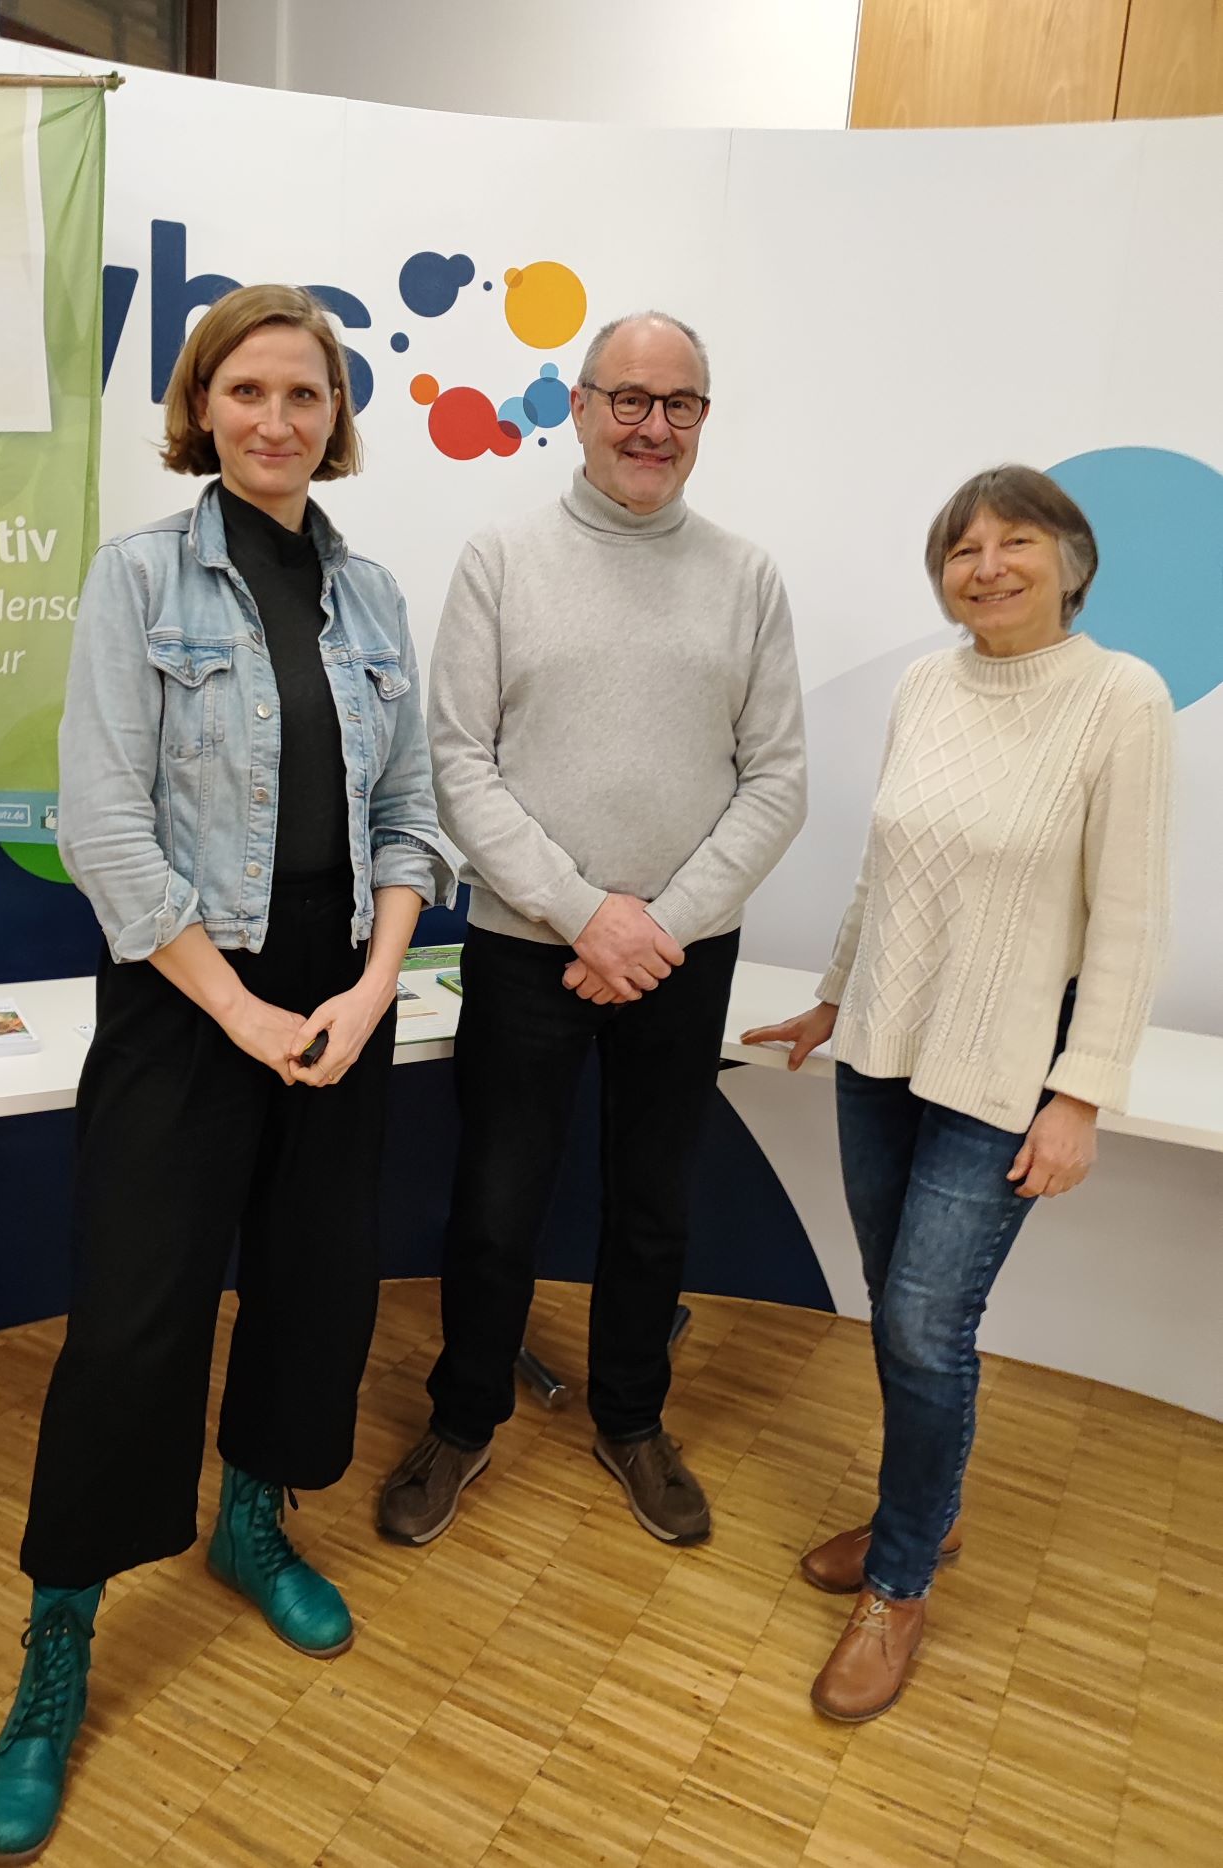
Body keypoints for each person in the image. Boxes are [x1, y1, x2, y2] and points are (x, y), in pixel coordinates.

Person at [0, 284, 451, 1862]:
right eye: (245, 390)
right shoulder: (138, 579)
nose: (275, 420)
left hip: (342, 992)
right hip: (188, 995)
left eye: (303, 394)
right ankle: (59, 1643)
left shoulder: (375, 594)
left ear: (335, 415)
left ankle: (253, 1522)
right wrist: (240, 1011)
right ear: (200, 407)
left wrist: (375, 982)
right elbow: (102, 829)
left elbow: (413, 818)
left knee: (319, 1284)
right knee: (136, 1319)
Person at [742, 465, 1173, 1723]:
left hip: (1003, 1070)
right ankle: (925, 1510)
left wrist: (1081, 1093)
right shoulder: (929, 686)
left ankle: (899, 1580)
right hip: (883, 1045)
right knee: (898, 1311)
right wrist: (832, 996)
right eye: (962, 547)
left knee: (929, 1325)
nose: (986, 564)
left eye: (1015, 540)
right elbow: (888, 874)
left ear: (1070, 560)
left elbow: (1133, 919)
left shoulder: (1122, 699)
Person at [377, 311, 807, 1550]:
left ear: (703, 421)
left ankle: (632, 1414)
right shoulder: (502, 559)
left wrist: (653, 928)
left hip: (681, 952)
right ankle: (462, 1417)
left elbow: (777, 780)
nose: (651, 425)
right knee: (497, 1200)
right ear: (578, 405)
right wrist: (584, 912)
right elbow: (457, 760)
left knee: (653, 1202)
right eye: (629, 398)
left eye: (679, 404)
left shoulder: (749, 577)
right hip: (526, 943)